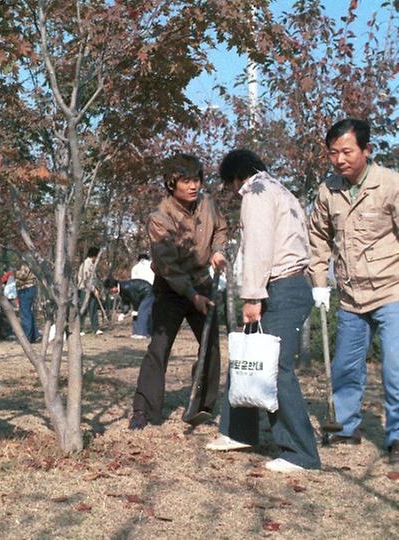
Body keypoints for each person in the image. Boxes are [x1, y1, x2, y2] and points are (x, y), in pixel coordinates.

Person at [206, 149, 321, 473]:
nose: (232, 193)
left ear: (235, 178)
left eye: (229, 187)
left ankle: (301, 452)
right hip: (290, 285)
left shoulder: (256, 193)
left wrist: (253, 296)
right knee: (247, 357)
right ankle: (237, 431)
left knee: (275, 369)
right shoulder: (282, 191)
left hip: (279, 287)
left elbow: (258, 246)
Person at [308, 118, 399, 465]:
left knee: (395, 369)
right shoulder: (327, 191)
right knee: (346, 367)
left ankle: (397, 438)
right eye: (333, 153)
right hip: (349, 295)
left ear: (366, 150)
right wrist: (319, 283)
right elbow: (317, 237)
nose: (339, 159)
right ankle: (345, 427)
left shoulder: (390, 185)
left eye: (347, 151)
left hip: (392, 290)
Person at [130, 153, 227, 430]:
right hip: (171, 288)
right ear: (172, 184)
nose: (193, 186)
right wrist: (191, 295)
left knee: (210, 346)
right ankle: (144, 410)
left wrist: (217, 252)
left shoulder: (207, 203)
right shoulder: (160, 218)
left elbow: (220, 229)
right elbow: (167, 266)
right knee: (159, 348)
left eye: (196, 179)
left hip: (202, 283)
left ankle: (202, 405)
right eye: (186, 181)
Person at [77, 247, 102, 335]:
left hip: (92, 290)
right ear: (94, 256)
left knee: (93, 309)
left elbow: (94, 279)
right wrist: (93, 289)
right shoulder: (86, 264)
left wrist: (96, 289)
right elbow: (86, 280)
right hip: (84, 289)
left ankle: (96, 328)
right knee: (83, 309)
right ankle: (80, 329)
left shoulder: (92, 264)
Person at [15, 263, 39, 343]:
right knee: (28, 312)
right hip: (26, 288)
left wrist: (14, 272)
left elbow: (23, 275)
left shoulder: (26, 259)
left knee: (25, 314)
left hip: (26, 289)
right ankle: (34, 335)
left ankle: (26, 338)